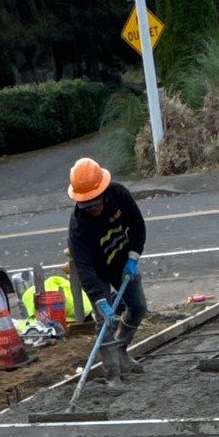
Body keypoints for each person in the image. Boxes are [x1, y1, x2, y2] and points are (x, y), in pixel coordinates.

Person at [67, 157, 146, 381]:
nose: (91, 208)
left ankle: (121, 352)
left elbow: (137, 225)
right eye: (86, 205)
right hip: (96, 272)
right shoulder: (78, 227)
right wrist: (99, 299)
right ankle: (112, 374)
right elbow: (83, 268)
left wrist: (133, 257)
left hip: (122, 262)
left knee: (138, 307)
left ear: (102, 191)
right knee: (105, 322)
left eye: (94, 202)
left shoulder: (118, 195)